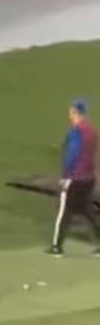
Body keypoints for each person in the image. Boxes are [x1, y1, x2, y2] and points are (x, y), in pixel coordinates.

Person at [48, 99, 100, 256]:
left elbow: (72, 154)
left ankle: (56, 247)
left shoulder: (75, 132)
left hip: (75, 179)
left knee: (64, 211)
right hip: (89, 179)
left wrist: (65, 176)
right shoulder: (93, 131)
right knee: (87, 210)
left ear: (74, 113)